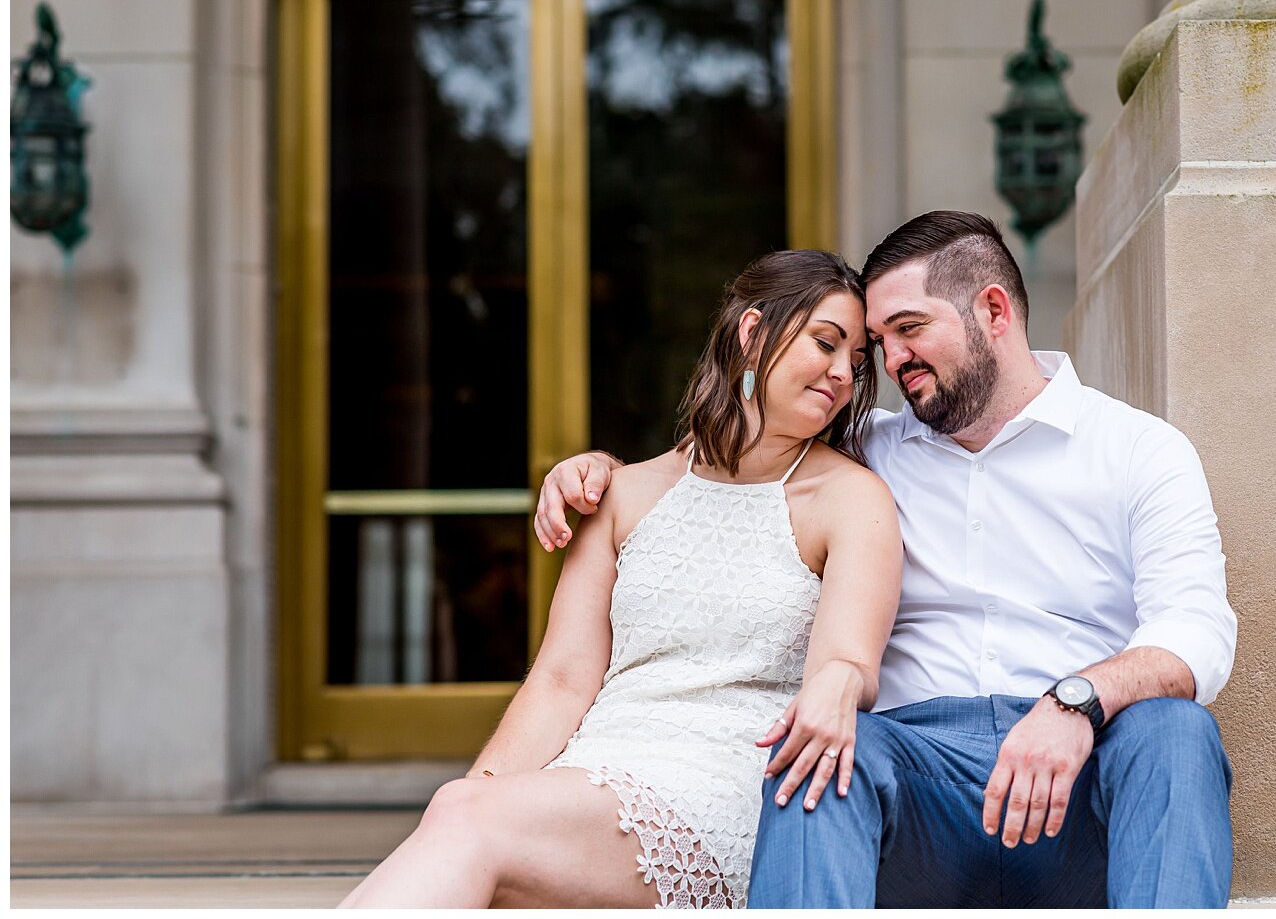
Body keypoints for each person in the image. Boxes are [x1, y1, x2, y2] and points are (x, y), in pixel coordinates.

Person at [534, 211, 1238, 908]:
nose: (889, 361)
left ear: (993, 310)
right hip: (912, 783)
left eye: (909, 329)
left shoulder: (1139, 449)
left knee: (1176, 732)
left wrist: (1074, 703)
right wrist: (598, 470)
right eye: (879, 341)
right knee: (821, 750)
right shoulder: (860, 450)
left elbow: (1197, 634)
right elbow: (725, 461)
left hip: (1078, 778)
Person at [341, 249, 902, 908]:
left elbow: (846, 664)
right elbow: (560, 679)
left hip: (725, 783)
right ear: (752, 333)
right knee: (463, 813)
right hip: (597, 768)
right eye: (825, 343)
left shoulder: (849, 498)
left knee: (469, 823)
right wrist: (478, 794)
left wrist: (471, 813)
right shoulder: (623, 494)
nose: (842, 372)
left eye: (857, 361)